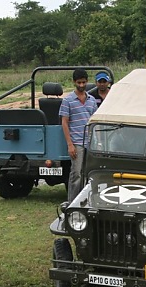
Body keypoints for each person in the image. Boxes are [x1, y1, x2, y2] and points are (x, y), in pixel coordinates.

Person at [60, 68, 98, 202]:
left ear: (87, 82)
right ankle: (72, 203)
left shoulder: (92, 100)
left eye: (83, 82)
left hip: (90, 142)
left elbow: (95, 121)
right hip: (76, 142)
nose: (81, 85)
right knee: (76, 174)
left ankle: (87, 201)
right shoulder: (68, 100)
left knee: (89, 174)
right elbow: (64, 122)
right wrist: (70, 144)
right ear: (74, 82)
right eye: (78, 83)